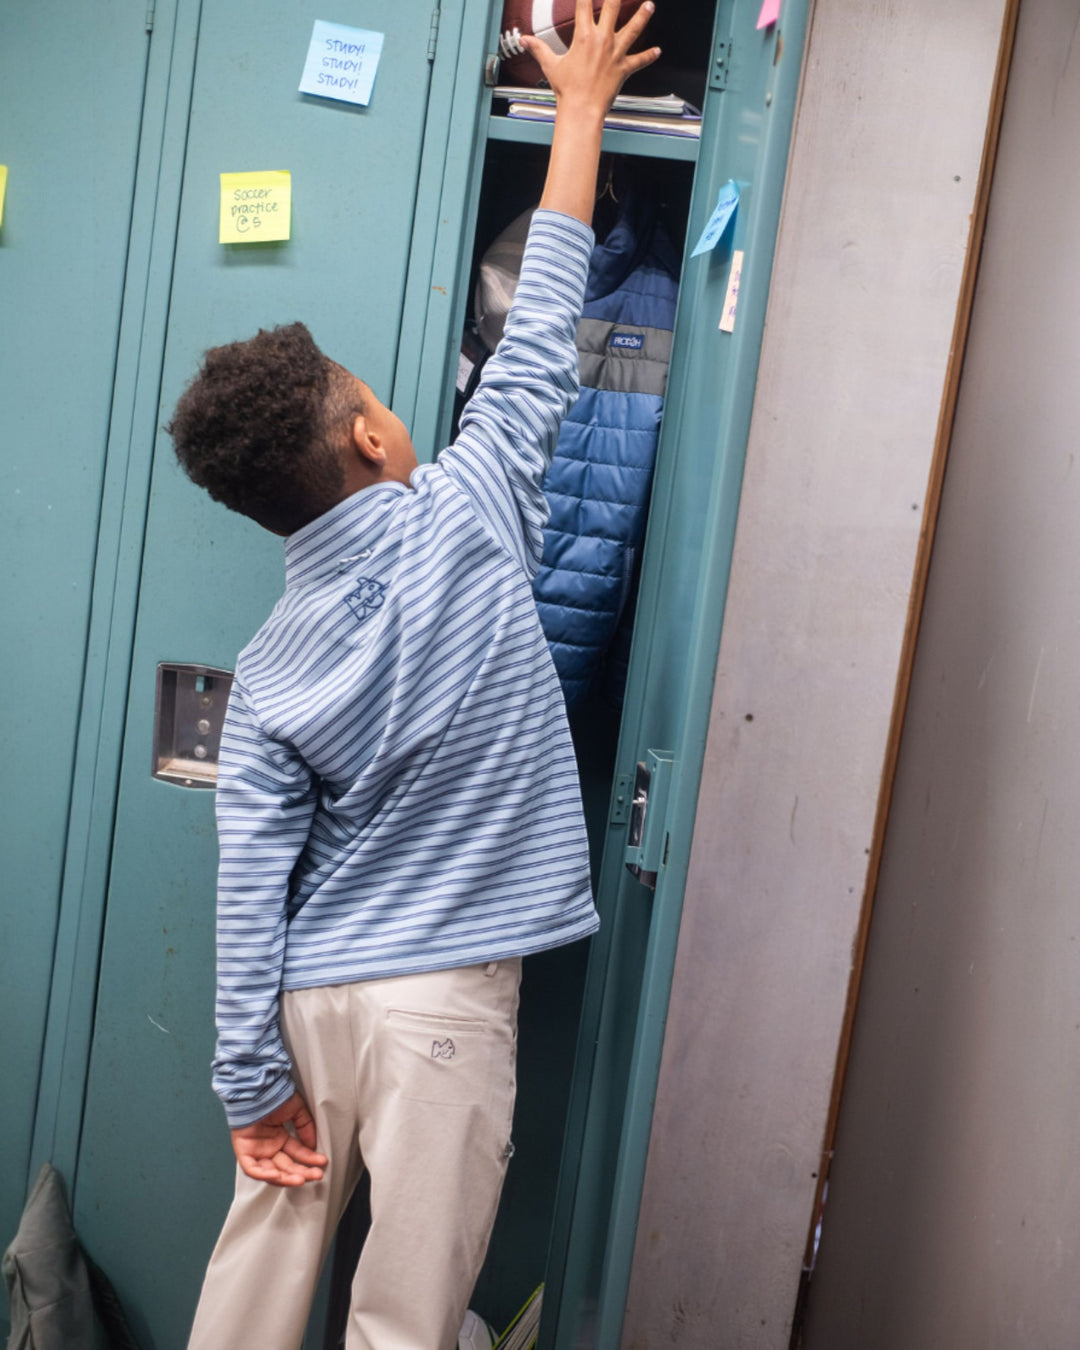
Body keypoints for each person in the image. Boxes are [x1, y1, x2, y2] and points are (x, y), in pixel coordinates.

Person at [169, 3, 660, 1347]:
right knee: (408, 1313)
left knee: (260, 1273)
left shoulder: (269, 670)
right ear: (379, 430)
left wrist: (247, 1080)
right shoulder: (476, 498)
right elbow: (552, 295)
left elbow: (248, 880)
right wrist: (580, 108)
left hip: (314, 994)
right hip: (444, 1001)